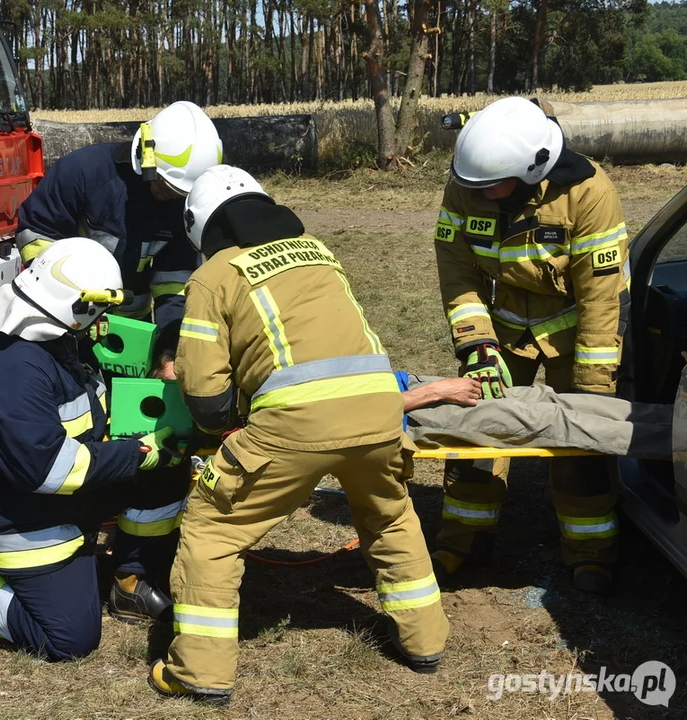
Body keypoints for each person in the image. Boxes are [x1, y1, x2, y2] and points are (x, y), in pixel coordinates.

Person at [148, 166, 449, 704]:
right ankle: (425, 641)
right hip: (379, 409)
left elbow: (207, 394)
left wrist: (224, 427)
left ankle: (200, 671)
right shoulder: (317, 249)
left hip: (294, 421)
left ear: (202, 226)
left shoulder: (214, 274)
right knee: (390, 514)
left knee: (212, 530)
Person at [0, 238, 190, 661]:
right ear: (75, 307)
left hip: (69, 505)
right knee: (68, 639)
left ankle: (131, 582)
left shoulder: (62, 344)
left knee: (168, 469)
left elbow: (90, 421)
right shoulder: (14, 371)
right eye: (97, 309)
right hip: (26, 522)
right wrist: (134, 454)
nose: (103, 319)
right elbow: (48, 470)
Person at [433, 96, 630, 595]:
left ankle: (591, 553)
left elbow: (601, 300)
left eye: (489, 187)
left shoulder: (588, 193)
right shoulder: (469, 183)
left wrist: (593, 389)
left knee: (580, 446)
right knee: (475, 432)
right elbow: (457, 271)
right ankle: (463, 542)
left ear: (531, 171)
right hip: (501, 329)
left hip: (575, 333)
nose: (476, 194)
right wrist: (477, 347)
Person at [14, 100, 223, 376]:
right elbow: (36, 232)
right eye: (164, 184)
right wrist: (65, 300)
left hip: (127, 334)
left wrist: (169, 349)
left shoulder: (179, 207)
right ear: (145, 157)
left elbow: (174, 283)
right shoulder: (83, 173)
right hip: (62, 323)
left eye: (179, 192)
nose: (171, 196)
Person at [397, 374, 672, 460]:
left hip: (403, 384)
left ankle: (676, 418)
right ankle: (677, 441)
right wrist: (434, 391)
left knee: (547, 398)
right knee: (551, 421)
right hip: (409, 410)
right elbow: (359, 410)